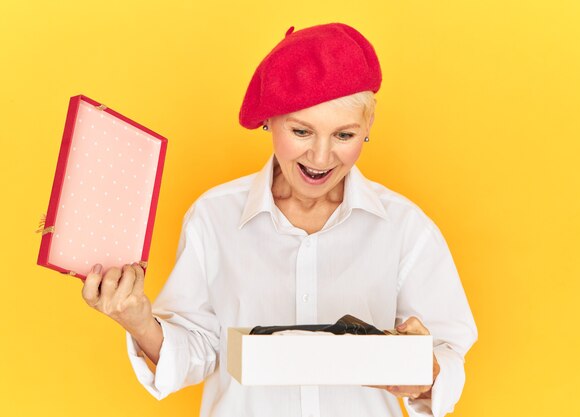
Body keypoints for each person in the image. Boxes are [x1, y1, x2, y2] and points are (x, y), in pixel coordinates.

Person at [81, 22, 477, 417]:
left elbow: (448, 352)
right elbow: (197, 351)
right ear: (270, 120)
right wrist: (137, 320)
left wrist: (426, 369)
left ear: (367, 128)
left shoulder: (405, 228)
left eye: (344, 136)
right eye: (302, 131)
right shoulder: (213, 216)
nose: (321, 158)